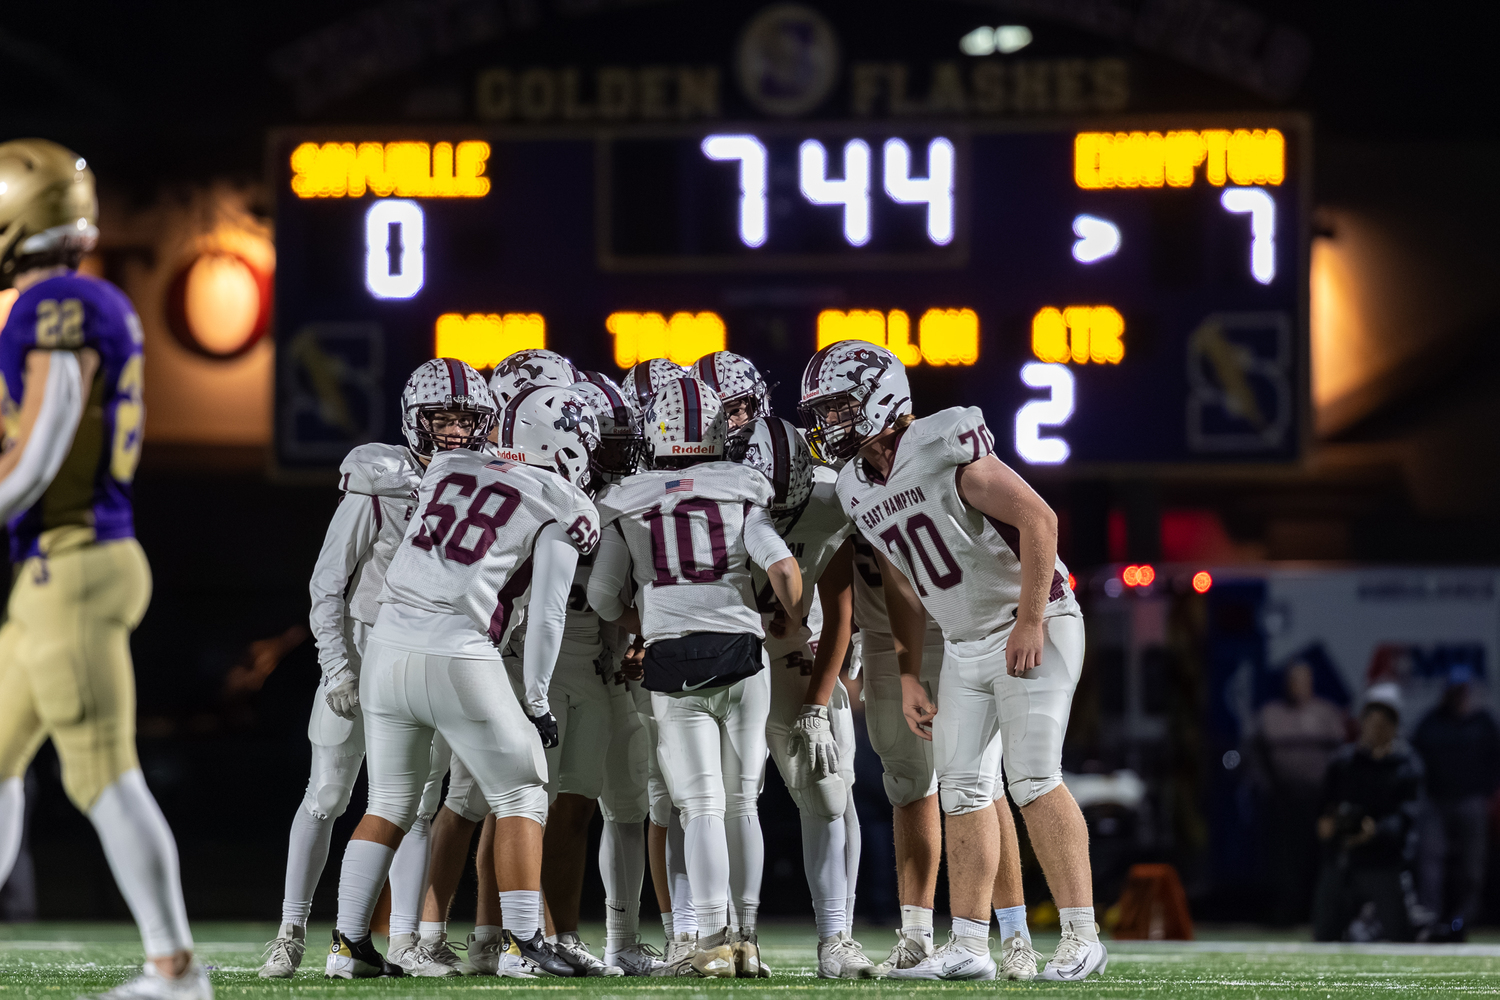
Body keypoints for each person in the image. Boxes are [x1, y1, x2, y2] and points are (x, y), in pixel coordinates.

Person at [801, 340, 1100, 982]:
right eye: (823, 411)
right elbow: (905, 581)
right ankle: (968, 945)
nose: (830, 422)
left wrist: (1030, 619)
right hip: (963, 646)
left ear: (881, 396)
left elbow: (1039, 520)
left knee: (1032, 776)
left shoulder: (941, 440)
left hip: (1033, 623)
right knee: (962, 786)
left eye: (840, 406)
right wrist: (910, 671)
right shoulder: (856, 483)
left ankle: (1082, 935)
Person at [0, 139, 211, 1000]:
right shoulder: (66, 298)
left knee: (100, 769)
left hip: (73, 561)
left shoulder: (55, 302)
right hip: (61, 564)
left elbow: (47, 435)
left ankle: (174, 965)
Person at [325, 377, 598, 979]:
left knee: (390, 801)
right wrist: (535, 699)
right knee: (522, 787)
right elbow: (550, 611)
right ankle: (524, 944)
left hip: (386, 647)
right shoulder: (564, 500)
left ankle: (347, 946)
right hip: (456, 647)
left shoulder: (449, 465)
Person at [259, 360, 468, 978]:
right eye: (444, 417)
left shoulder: (475, 485)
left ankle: (402, 939)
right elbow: (328, 584)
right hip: (361, 644)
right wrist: (336, 667)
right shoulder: (382, 478)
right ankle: (290, 930)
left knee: (416, 803)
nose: (456, 431)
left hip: (420, 653)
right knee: (326, 794)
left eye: (466, 419)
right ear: (416, 419)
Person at [588, 377, 801, 978]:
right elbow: (783, 567)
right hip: (742, 654)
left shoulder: (627, 496)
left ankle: (710, 939)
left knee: (700, 806)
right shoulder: (740, 487)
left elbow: (604, 596)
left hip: (672, 660)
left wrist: (652, 616)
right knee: (742, 805)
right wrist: (786, 616)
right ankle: (748, 938)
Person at [730, 416, 875, 978]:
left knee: (830, 792)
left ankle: (835, 938)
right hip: (733, 656)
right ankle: (717, 934)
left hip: (793, 650)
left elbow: (839, 606)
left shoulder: (826, 498)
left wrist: (819, 700)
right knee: (716, 798)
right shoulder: (716, 496)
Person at [1312, 683, 1424, 942]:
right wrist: (1327, 824)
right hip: (1343, 858)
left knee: (1398, 935)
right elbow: (1324, 806)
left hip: (1383, 862)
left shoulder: (1406, 767)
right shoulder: (1343, 762)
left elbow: (1406, 818)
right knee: (1325, 935)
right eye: (1371, 719)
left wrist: (1375, 831)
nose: (1375, 727)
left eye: (1383, 721)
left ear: (1394, 726)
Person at [1246, 661, 1351, 925]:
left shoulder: (1327, 713)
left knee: (1320, 858)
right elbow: (1254, 755)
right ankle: (1286, 914)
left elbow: (1342, 758)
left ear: (1311, 683)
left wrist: (1337, 796)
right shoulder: (1271, 714)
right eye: (1293, 681)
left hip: (1320, 799)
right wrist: (1266, 785)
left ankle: (1319, 914)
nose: (1298, 687)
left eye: (1303, 681)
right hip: (1283, 799)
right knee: (1284, 860)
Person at [1412, 666, 1499, 940]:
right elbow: (1415, 761)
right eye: (1455, 690)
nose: (1460, 696)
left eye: (1464, 690)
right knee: (1430, 865)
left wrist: (1485, 791)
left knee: (1472, 868)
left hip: (1471, 802)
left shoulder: (1482, 722)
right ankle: (1430, 921)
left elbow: (1495, 761)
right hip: (1436, 803)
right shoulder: (1431, 723)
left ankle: (1462, 921)